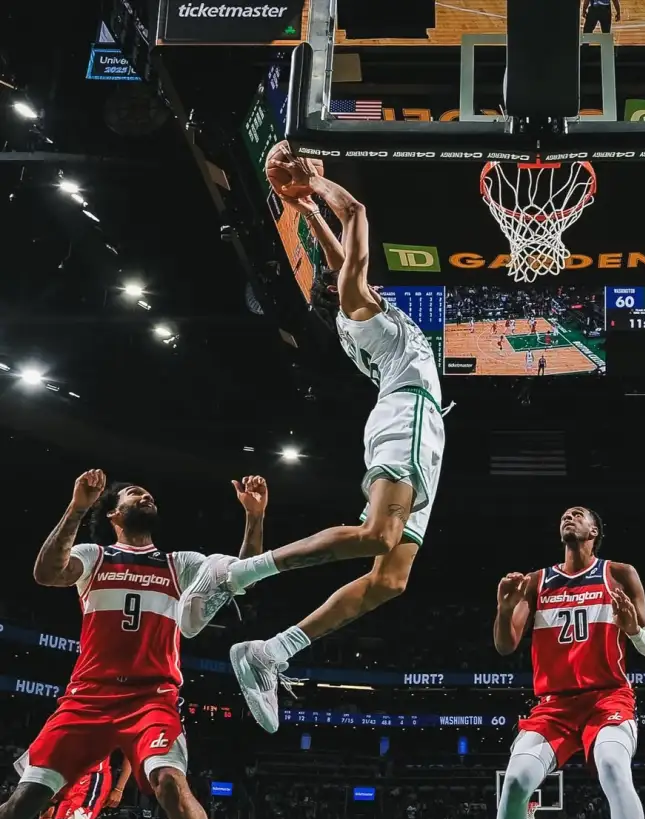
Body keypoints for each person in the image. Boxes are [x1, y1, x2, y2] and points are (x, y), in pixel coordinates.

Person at [178, 142, 446, 735]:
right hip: (409, 418)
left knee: (389, 579)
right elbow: (357, 218)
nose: (347, 269)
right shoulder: (361, 311)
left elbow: (338, 256)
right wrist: (315, 189)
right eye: (346, 273)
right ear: (343, 289)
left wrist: (305, 216)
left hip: (418, 426)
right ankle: (236, 574)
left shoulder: (360, 312)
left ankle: (270, 652)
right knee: (378, 535)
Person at [0, 470, 267, 819]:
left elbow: (238, 575)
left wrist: (254, 520)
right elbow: (44, 573)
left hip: (152, 699)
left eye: (148, 493)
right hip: (88, 698)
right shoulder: (93, 555)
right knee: (23, 804)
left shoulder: (177, 563)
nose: (145, 495)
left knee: (170, 783)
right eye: (132, 494)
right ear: (114, 514)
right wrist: (77, 506)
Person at [469, 506, 645, 819]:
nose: (569, 517)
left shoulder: (619, 573)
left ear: (595, 531)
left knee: (613, 765)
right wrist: (502, 610)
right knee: (515, 781)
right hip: (554, 706)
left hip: (607, 697)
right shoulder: (536, 582)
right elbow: (504, 645)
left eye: (579, 515)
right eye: (564, 515)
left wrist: (632, 628)